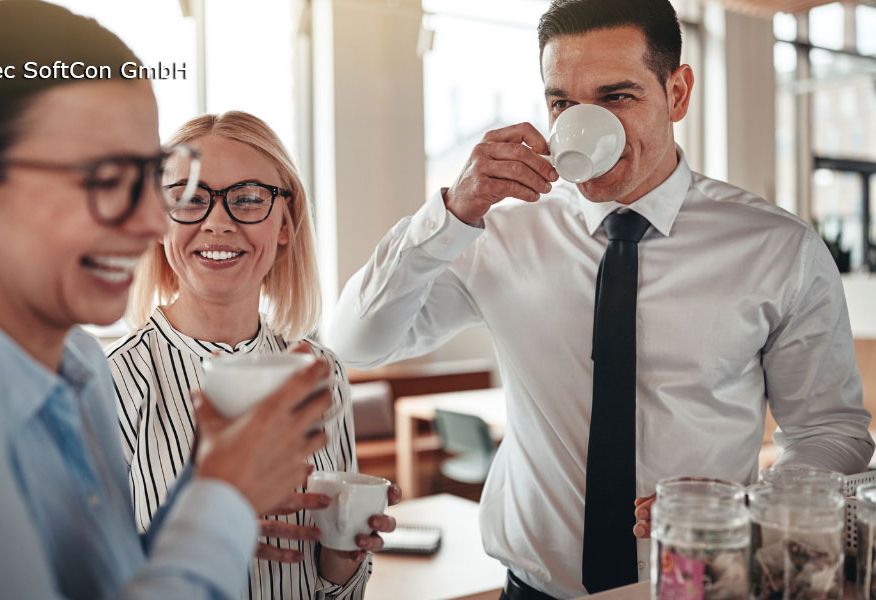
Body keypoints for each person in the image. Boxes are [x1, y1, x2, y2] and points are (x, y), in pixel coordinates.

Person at [326, 0, 873, 598]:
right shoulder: (498, 232)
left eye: (617, 97)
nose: (586, 122)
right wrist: (450, 212)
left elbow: (831, 431)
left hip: (702, 582)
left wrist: (746, 508)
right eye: (563, 102)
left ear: (678, 93)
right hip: (530, 590)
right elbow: (358, 341)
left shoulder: (776, 247)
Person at [0, 3, 332, 599]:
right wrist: (222, 500)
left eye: (149, 175)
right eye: (102, 179)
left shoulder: (80, 362)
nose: (151, 223)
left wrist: (205, 484)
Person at [108, 110, 400, 600]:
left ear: (285, 224)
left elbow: (337, 594)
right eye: (188, 199)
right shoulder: (111, 380)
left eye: (246, 199)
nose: (217, 222)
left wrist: (341, 558)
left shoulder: (322, 372)